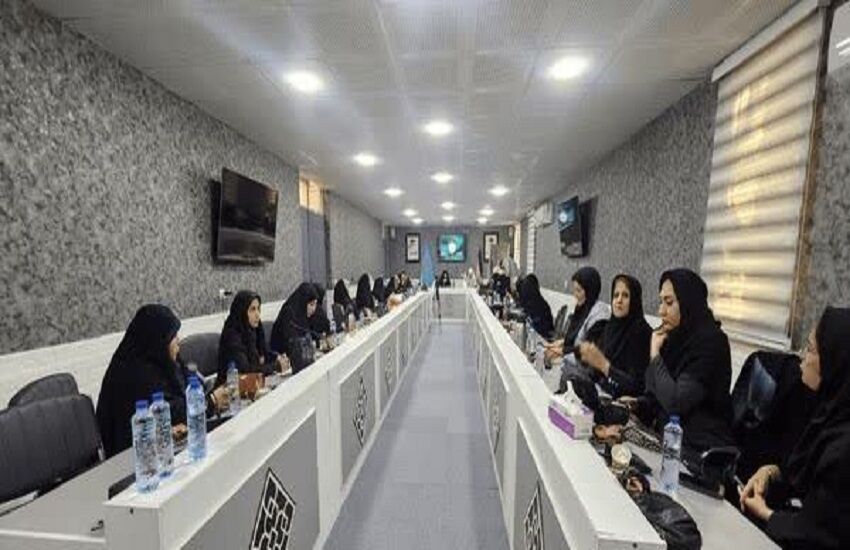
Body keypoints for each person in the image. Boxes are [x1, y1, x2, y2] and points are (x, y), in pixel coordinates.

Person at [739, 307, 850, 549]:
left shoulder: (843, 446)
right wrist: (770, 472)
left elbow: (820, 531)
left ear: (833, 362)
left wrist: (765, 513)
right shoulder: (827, 410)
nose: (801, 358)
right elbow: (801, 474)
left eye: (810, 350)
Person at [96, 304, 229, 457]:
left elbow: (188, 388)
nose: (178, 340)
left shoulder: (160, 360)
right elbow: (170, 413)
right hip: (133, 460)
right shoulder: (135, 374)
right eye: (173, 336)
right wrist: (211, 402)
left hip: (161, 451)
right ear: (158, 339)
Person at [634, 268, 734, 452]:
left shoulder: (711, 342)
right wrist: (637, 403)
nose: (661, 311)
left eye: (669, 302)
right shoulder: (675, 336)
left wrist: (655, 355)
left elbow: (675, 403)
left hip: (699, 449)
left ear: (689, 302)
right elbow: (654, 391)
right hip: (669, 440)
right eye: (661, 302)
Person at [577, 274, 652, 398]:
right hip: (601, 396)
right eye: (616, 295)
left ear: (634, 300)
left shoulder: (641, 333)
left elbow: (638, 386)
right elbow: (595, 372)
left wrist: (605, 367)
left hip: (625, 404)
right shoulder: (610, 328)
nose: (619, 300)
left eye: (625, 295)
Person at [217, 291, 286, 386]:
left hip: (252, 385)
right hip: (229, 388)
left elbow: (263, 352)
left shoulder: (254, 328)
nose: (257, 314)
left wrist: (278, 357)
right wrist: (275, 366)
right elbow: (245, 370)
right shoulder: (232, 335)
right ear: (242, 311)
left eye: (258, 309)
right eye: (252, 309)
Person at [544, 266, 609, 361]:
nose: (575, 294)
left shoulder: (600, 316)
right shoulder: (583, 307)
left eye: (578, 290)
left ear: (590, 290)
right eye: (574, 290)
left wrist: (561, 351)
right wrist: (562, 343)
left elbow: (588, 350)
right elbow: (577, 338)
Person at [270, 283, 320, 372]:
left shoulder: (303, 316)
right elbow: (291, 343)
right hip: (280, 363)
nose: (314, 309)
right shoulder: (288, 313)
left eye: (315, 304)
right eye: (311, 304)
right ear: (303, 302)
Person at [518, 274, 554, 339]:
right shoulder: (539, 300)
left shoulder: (536, 303)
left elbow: (534, 323)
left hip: (542, 335)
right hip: (542, 332)